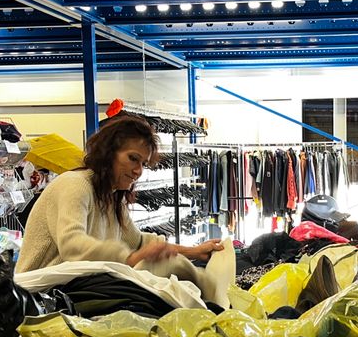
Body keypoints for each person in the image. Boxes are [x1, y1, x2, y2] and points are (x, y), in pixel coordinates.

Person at [16, 114, 226, 293]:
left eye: (143, 163)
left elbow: (140, 242)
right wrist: (127, 258)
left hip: (73, 291)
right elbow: (73, 245)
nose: (138, 170)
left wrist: (193, 251)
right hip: (39, 296)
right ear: (108, 153)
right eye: (132, 158)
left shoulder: (111, 197)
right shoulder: (76, 185)